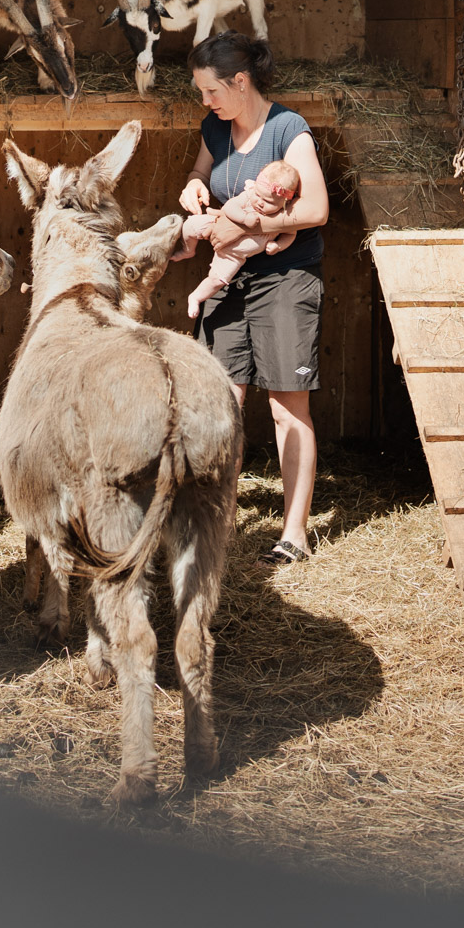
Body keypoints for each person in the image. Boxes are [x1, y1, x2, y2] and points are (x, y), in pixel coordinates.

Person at [176, 31, 330, 567]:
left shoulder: (289, 131)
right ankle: (221, 518)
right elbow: (200, 174)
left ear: (240, 82)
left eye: (209, 91)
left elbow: (316, 210)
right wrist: (194, 189)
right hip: (230, 278)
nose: (205, 102)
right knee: (221, 404)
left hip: (284, 277)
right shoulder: (215, 128)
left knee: (287, 406)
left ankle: (293, 533)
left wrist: (255, 225)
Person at [180, 160, 301, 319]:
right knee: (190, 225)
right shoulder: (250, 194)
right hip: (217, 225)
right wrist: (244, 218)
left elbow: (291, 234)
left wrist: (278, 245)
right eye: (258, 195)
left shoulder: (283, 216)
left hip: (233, 256)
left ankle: (195, 297)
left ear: (285, 202)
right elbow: (230, 207)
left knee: (218, 280)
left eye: (268, 202)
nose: (260, 202)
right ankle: (188, 250)